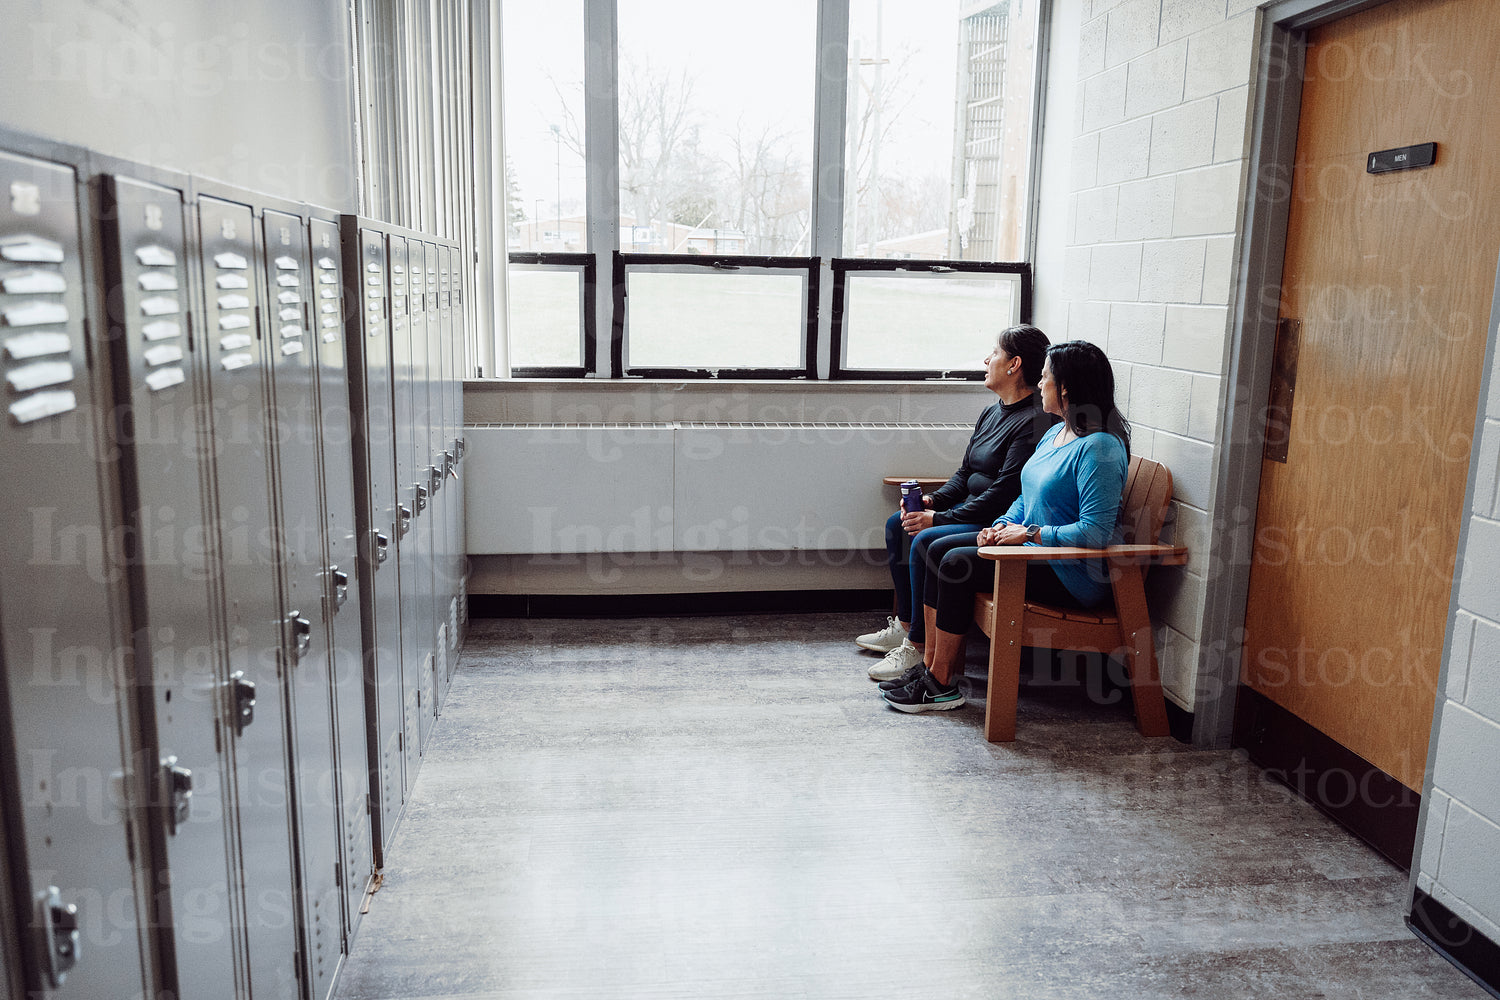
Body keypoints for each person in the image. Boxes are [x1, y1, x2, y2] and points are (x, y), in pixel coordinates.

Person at [880, 340, 1131, 713]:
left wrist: (1028, 534)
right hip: (1032, 554)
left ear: (1065, 388)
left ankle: (942, 683)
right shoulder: (1056, 433)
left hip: (1071, 574)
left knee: (954, 563)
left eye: (1045, 378)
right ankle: (931, 669)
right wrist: (1000, 526)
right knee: (935, 549)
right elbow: (1023, 497)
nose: (1040, 384)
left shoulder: (1100, 449)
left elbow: (1094, 532)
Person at [856, 324, 1056, 682]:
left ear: (1014, 365)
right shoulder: (992, 412)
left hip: (996, 520)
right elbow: (965, 474)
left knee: (923, 537)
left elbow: (1005, 493)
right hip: (970, 508)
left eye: (994, 353)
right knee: (895, 524)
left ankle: (918, 646)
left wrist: (939, 518)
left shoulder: (1034, 422)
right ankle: (906, 626)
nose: (986, 359)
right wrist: (932, 500)